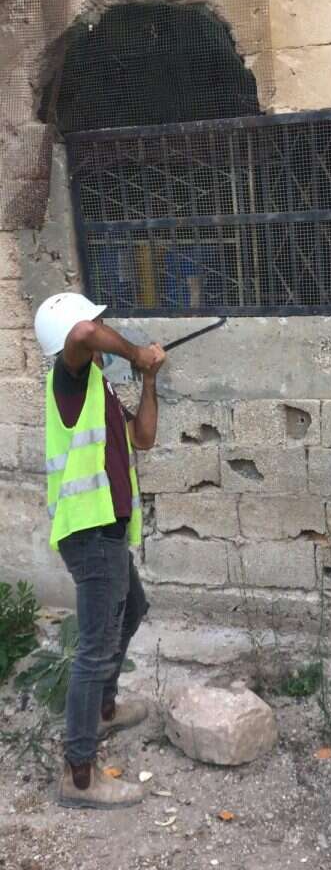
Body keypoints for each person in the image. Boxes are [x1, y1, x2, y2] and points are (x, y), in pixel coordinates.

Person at [34, 292, 166, 810]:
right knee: (94, 647)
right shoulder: (70, 378)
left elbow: (145, 438)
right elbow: (84, 336)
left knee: (132, 609)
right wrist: (136, 353)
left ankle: (105, 707)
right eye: (95, 321)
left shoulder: (99, 388)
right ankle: (80, 774)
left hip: (104, 530)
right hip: (88, 531)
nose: (100, 328)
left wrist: (149, 378)